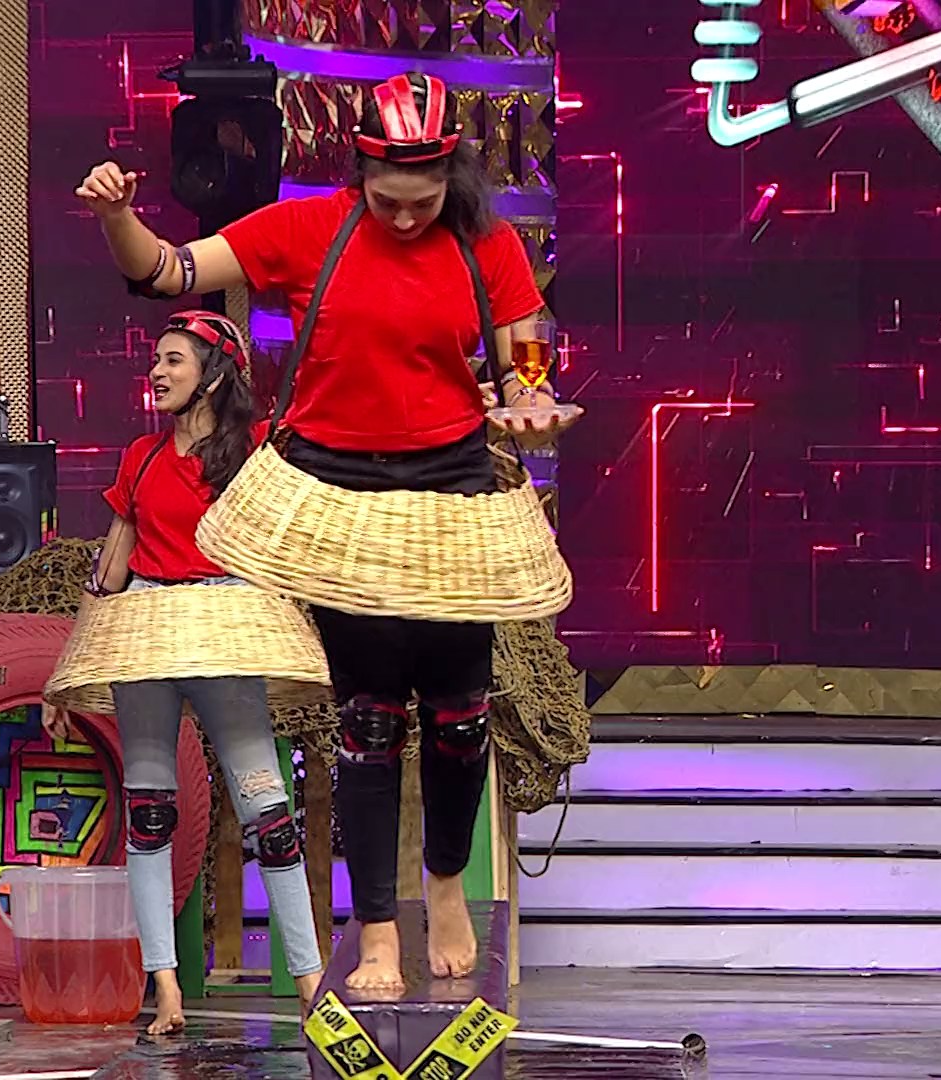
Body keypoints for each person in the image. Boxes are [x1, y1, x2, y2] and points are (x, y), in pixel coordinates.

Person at [75, 72, 577, 992]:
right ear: (360, 174)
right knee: (369, 720)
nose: (406, 218)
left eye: (424, 201)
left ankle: (447, 885)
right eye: (387, 201)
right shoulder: (308, 229)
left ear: (452, 178)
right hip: (339, 497)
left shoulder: (488, 243)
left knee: (460, 714)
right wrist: (116, 216)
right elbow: (168, 271)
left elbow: (524, 369)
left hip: (452, 490)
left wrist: (529, 407)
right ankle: (377, 926)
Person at [49, 310, 326, 1033]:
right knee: (149, 813)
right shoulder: (140, 456)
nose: (158, 371)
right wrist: (69, 669)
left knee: (271, 816)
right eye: (157, 359)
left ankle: (311, 984)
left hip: (226, 632)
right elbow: (110, 567)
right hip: (145, 634)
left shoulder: (256, 452)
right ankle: (166, 989)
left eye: (174, 359)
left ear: (214, 374)